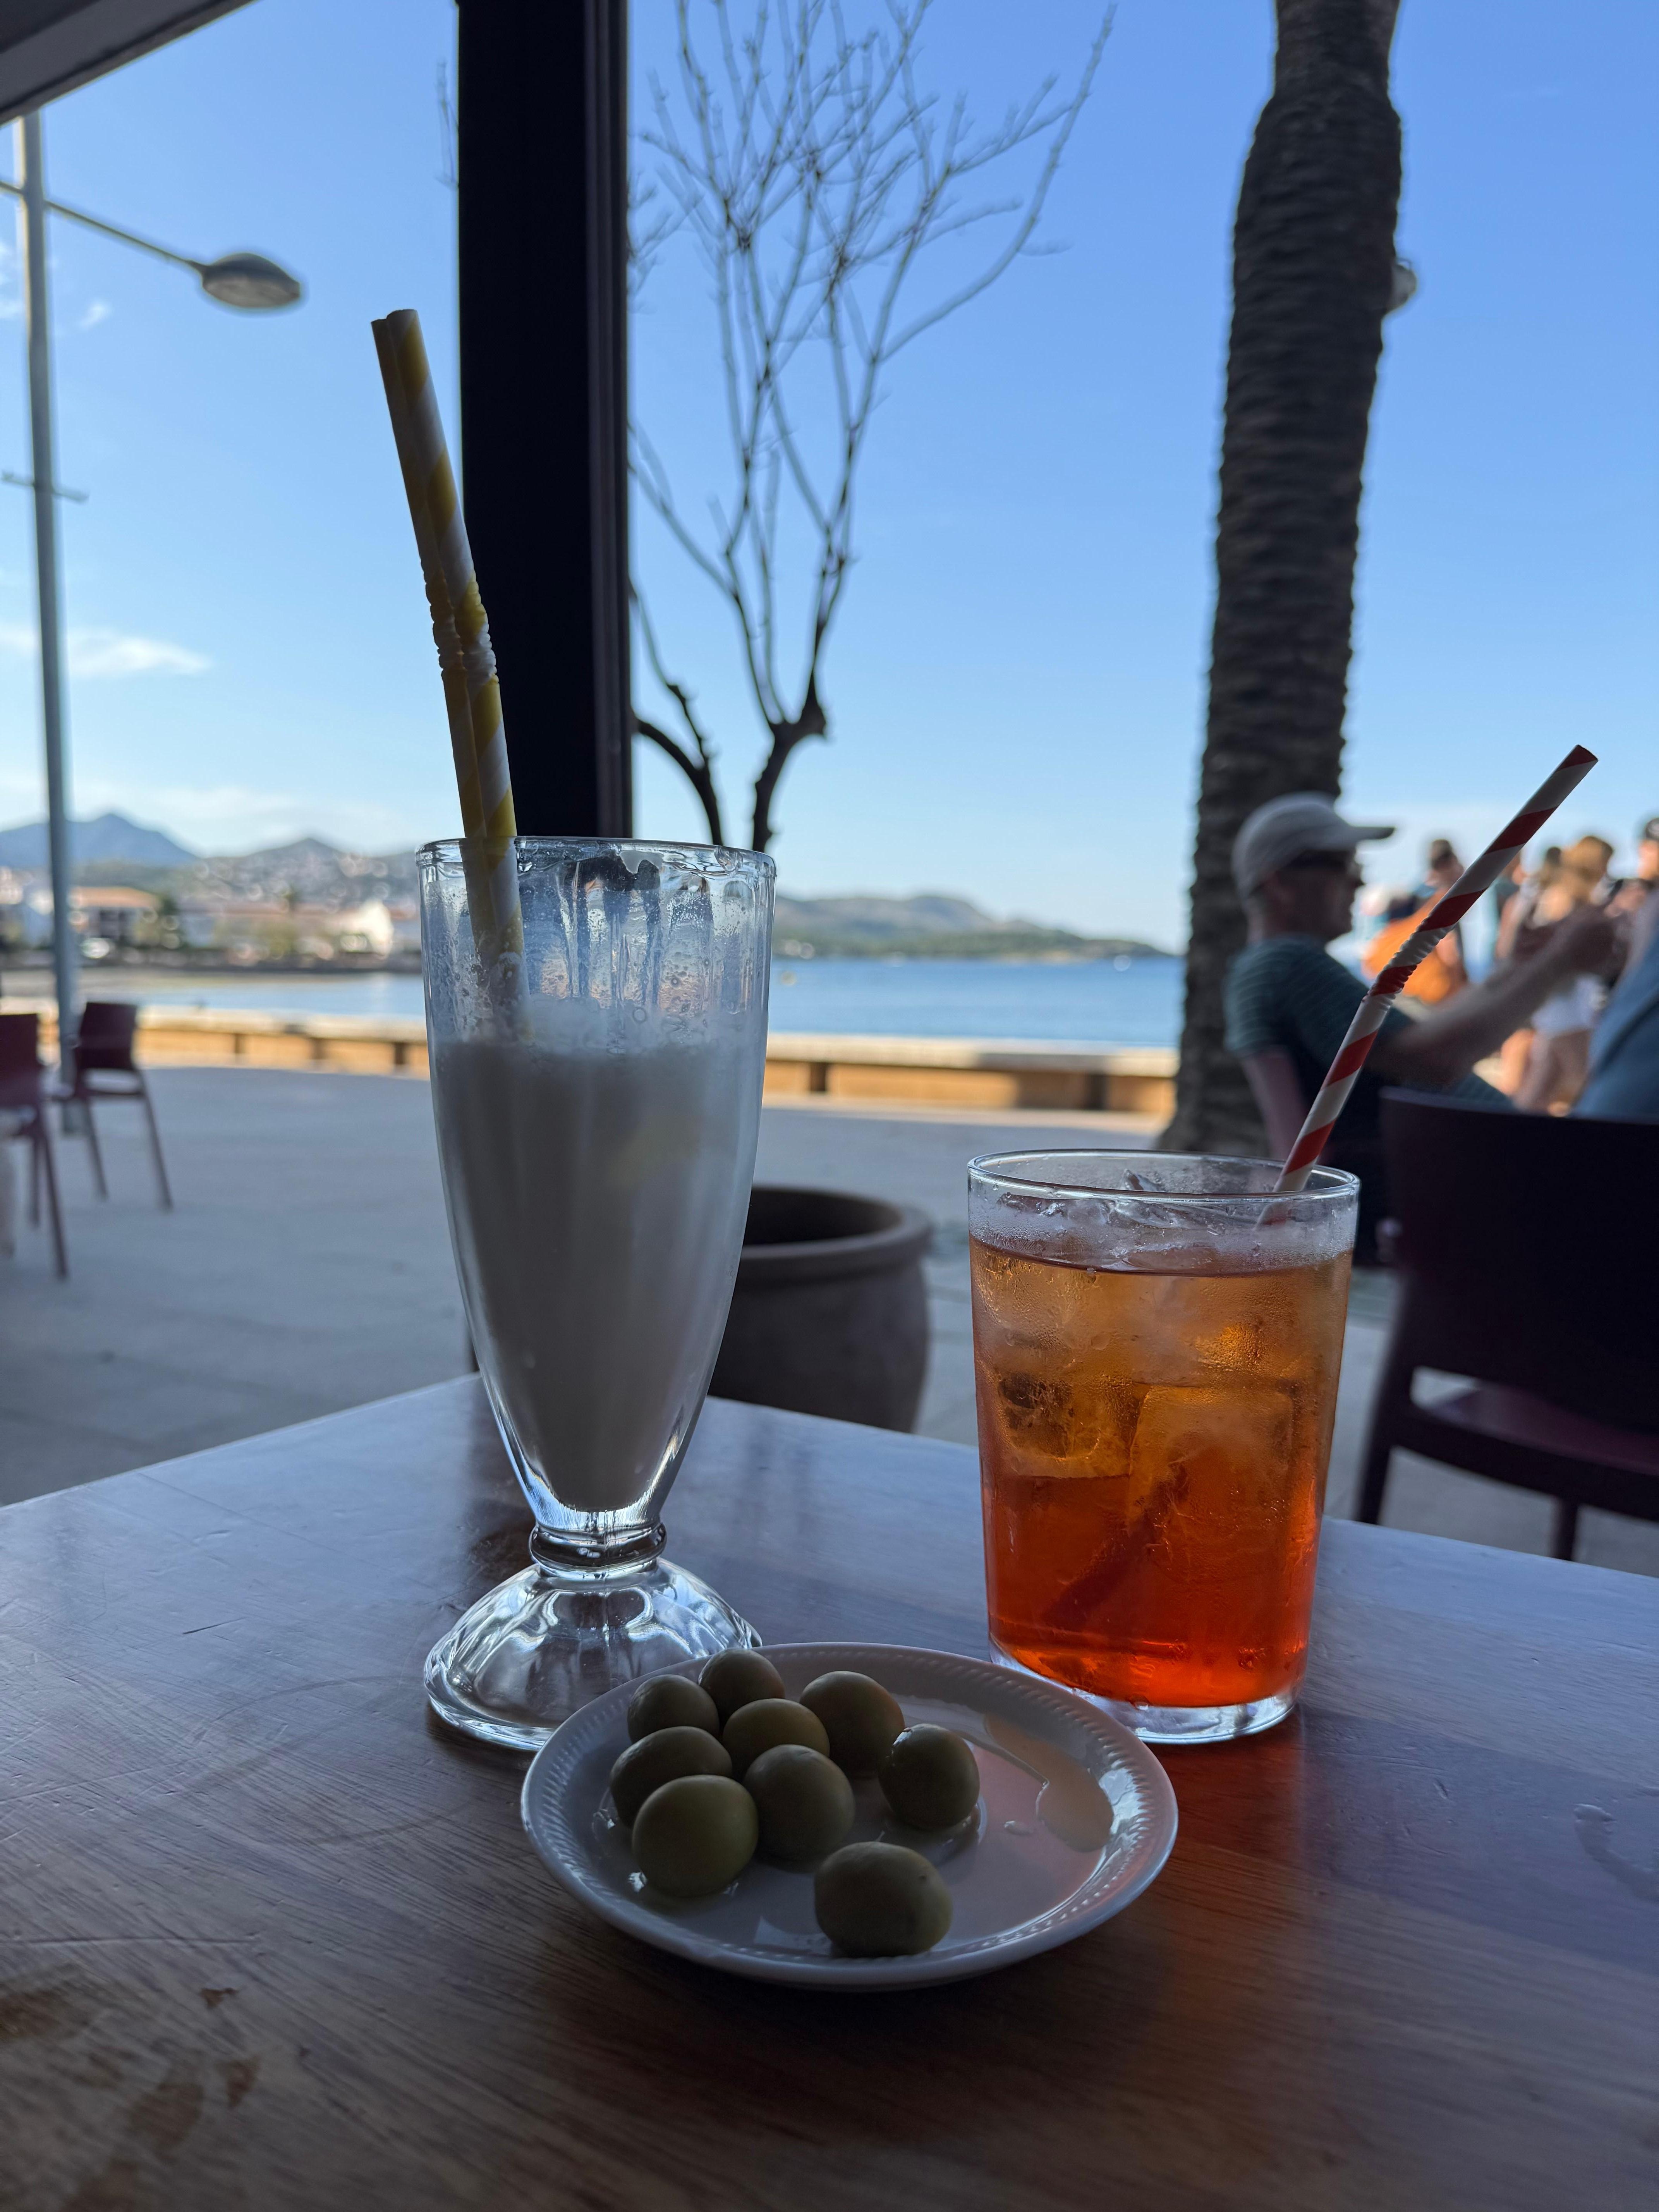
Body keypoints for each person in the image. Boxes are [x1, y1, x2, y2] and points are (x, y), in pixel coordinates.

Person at [1224, 793, 1618, 1256]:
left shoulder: (1268, 969)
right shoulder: (1287, 962)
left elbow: (1415, 1039)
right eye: (1339, 864)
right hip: (1479, 1188)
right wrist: (1558, 963)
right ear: (1281, 883)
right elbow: (1430, 1058)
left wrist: (1519, 969)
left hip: (1474, 1179)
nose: (1359, 878)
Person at [1508, 834, 1614, 1113]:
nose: (1608, 871)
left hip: (1563, 998)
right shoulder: (1567, 896)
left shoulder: (1560, 893)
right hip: (1564, 1000)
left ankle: (1510, 1142)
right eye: (1606, 863)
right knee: (1587, 1078)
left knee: (1543, 1085)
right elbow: (1560, 949)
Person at [1361, 837, 1468, 1004]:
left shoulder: (1418, 894)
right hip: (1433, 992)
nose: (1464, 869)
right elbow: (1450, 953)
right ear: (1450, 863)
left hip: (1408, 990)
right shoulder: (1442, 902)